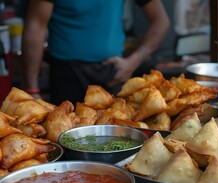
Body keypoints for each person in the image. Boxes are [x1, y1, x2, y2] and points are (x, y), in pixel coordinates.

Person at [21, 0, 170, 105]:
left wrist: (133, 62)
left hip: (112, 73)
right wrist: (31, 88)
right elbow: (35, 27)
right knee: (67, 139)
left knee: (114, 139)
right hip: (67, 76)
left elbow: (161, 21)